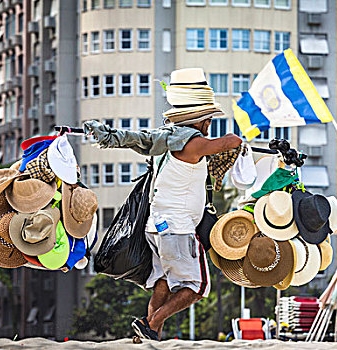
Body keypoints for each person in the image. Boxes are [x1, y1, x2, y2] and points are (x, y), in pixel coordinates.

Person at [83, 68, 242, 341]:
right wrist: (238, 141)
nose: (210, 124)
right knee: (197, 286)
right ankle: (150, 323)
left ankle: (148, 338)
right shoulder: (193, 144)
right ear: (201, 120)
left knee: (163, 283)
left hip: (155, 227)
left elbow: (136, 138)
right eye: (209, 119)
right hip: (178, 229)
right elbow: (231, 142)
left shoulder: (163, 145)